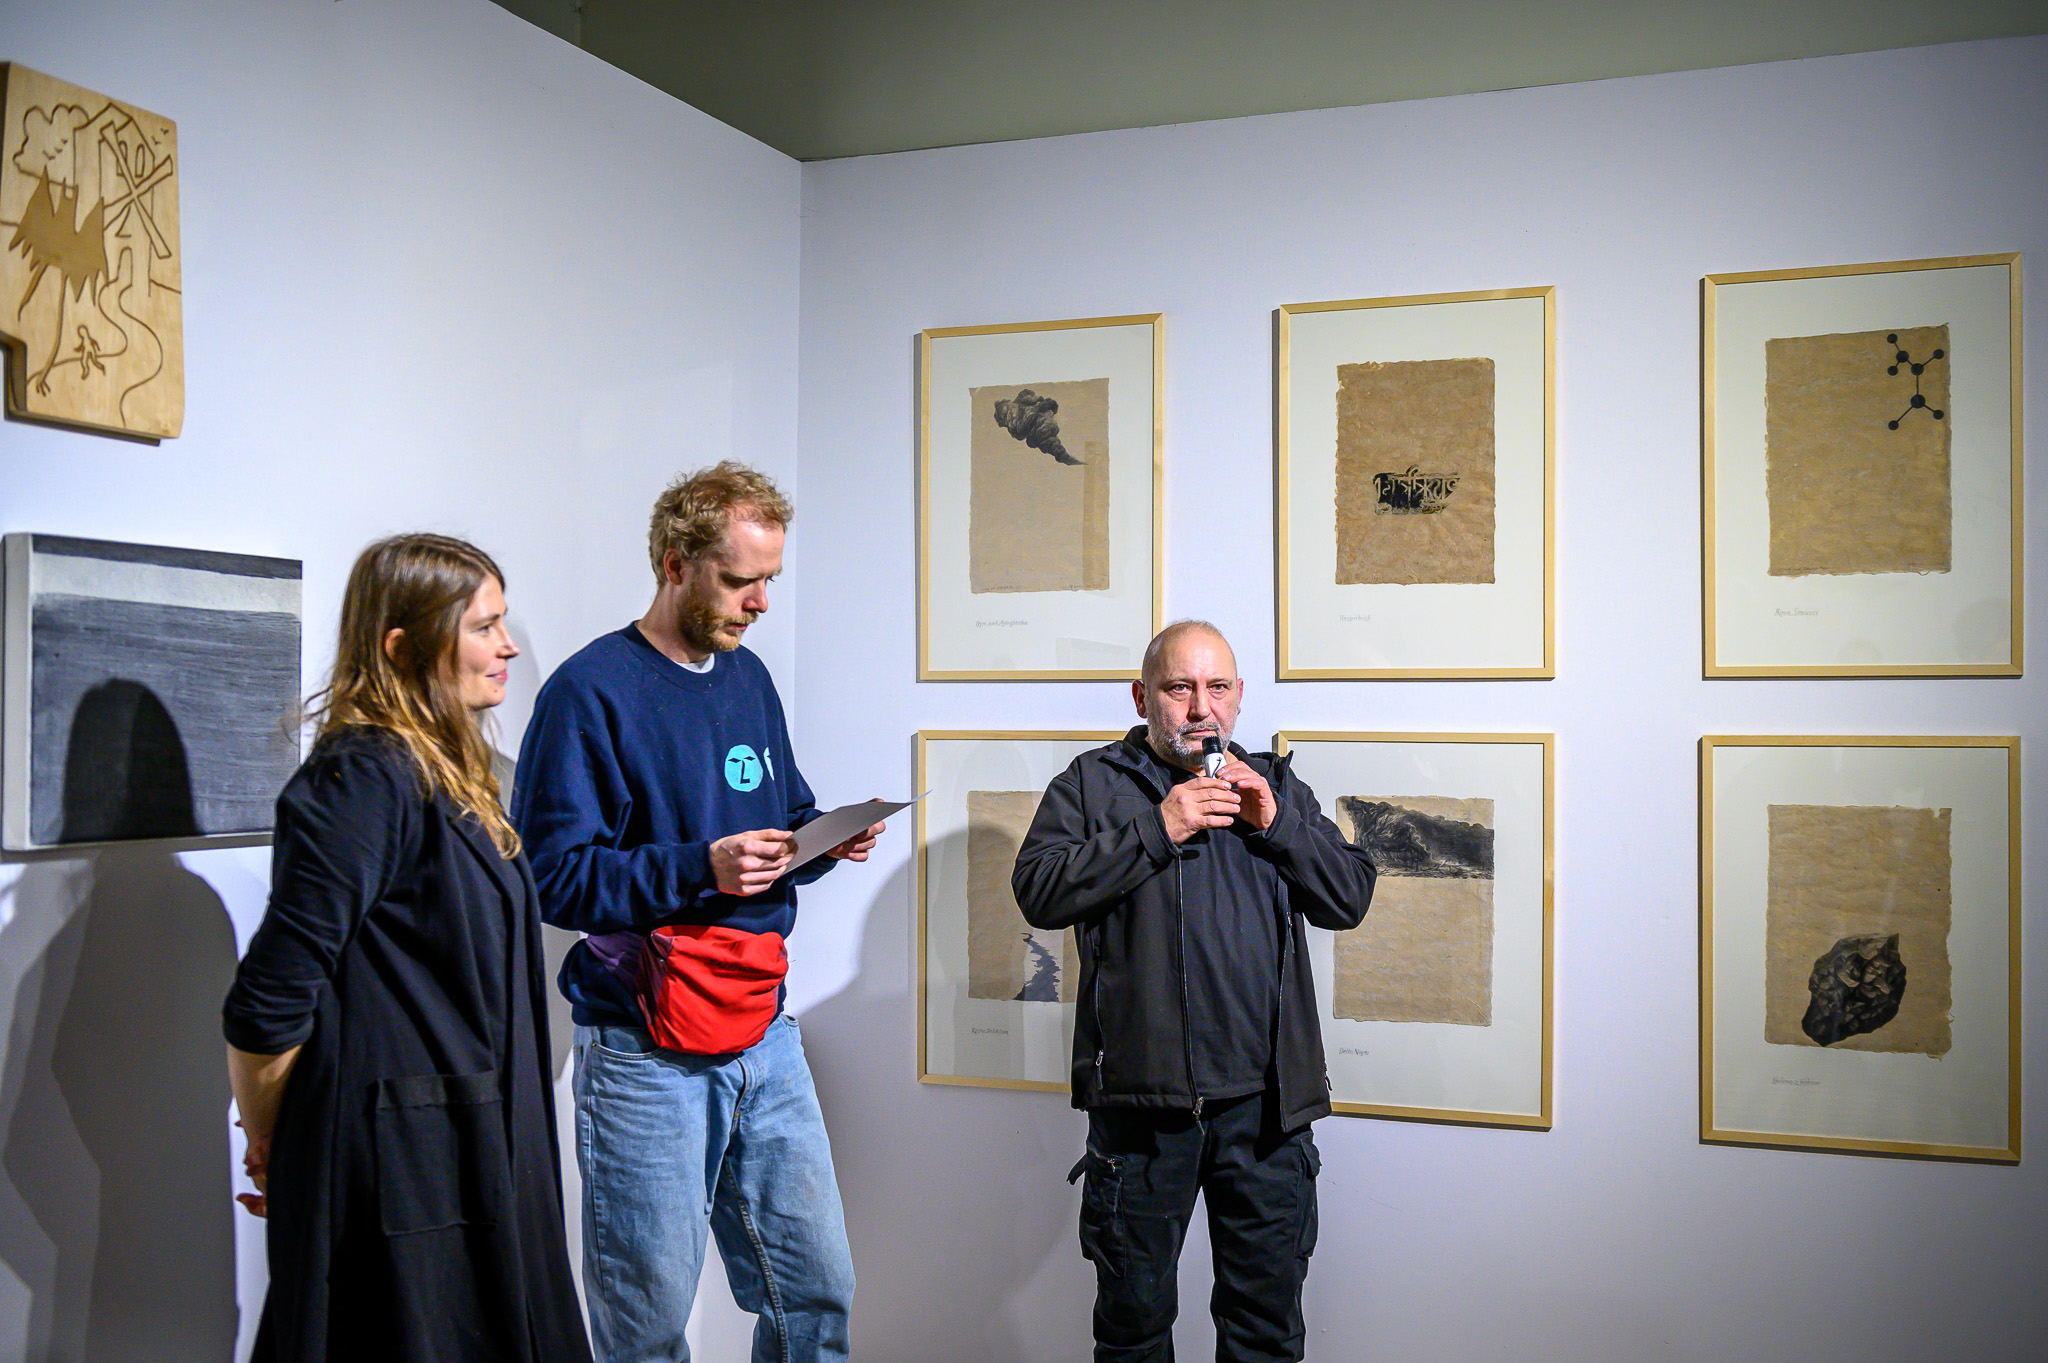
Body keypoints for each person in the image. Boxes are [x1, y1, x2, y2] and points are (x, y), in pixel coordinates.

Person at [512, 460, 881, 1363]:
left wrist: (820, 840)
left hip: (764, 1029)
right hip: (646, 1051)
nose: (761, 602)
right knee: (646, 1332)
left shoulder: (747, 680)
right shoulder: (588, 692)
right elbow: (552, 879)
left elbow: (779, 818)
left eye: (770, 579)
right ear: (675, 564)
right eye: (741, 578)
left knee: (815, 1295)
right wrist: (701, 866)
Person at [221, 534, 591, 1363]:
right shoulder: (361, 777)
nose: (509, 645)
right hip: (404, 1171)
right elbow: (267, 1000)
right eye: (484, 627)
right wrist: (278, 1142)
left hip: (472, 1147)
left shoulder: (449, 771)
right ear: (402, 646)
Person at [1012, 620, 1377, 1363]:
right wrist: (1159, 826)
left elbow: (1349, 898)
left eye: (1217, 687)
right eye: (1180, 687)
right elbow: (1039, 891)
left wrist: (1277, 826)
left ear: (1239, 697)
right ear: (1142, 696)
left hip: (1268, 1114)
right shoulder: (1090, 784)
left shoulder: (1274, 786)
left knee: (1265, 1333)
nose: (1200, 707)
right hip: (1141, 1115)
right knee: (1133, 1333)